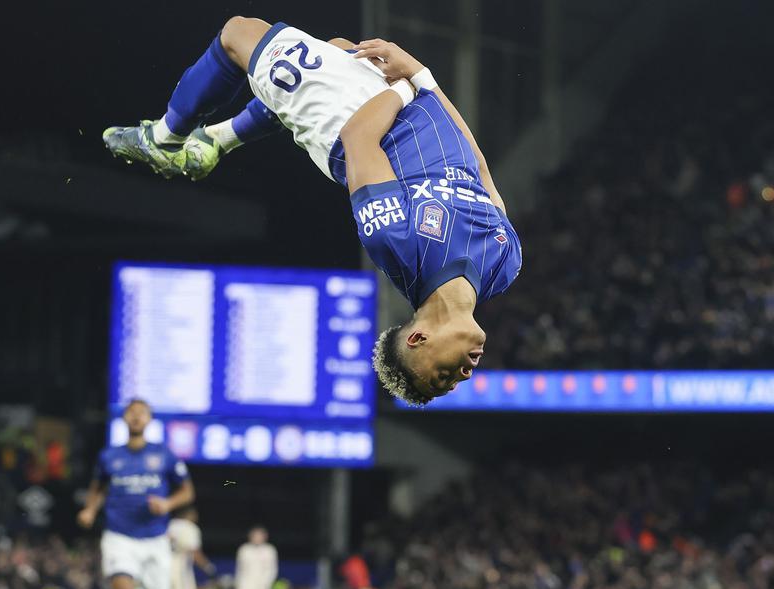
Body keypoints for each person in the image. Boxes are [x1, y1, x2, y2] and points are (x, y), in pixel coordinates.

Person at [103, 17, 523, 405]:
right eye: (454, 380)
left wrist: (408, 86)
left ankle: (163, 138)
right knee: (338, 47)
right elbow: (478, 165)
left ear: (418, 339)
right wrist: (422, 76)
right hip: (396, 100)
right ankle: (218, 140)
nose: (463, 376)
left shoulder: (398, 244)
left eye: (443, 376)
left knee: (238, 34)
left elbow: (360, 137)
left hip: (350, 117)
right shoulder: (504, 264)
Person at [78, 398, 195, 589]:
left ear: (149, 419)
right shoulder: (109, 457)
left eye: (141, 413)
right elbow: (98, 487)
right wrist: (90, 510)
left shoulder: (164, 456)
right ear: (124, 419)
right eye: (131, 413)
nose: (136, 417)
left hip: (155, 539)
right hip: (119, 538)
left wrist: (167, 504)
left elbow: (187, 491)